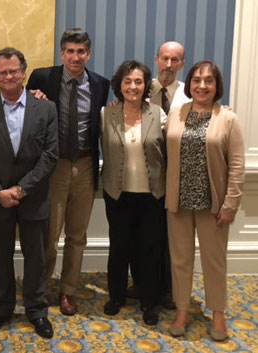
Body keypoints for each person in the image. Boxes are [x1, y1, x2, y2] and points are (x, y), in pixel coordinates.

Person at [0, 47, 58, 338]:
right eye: (1, 72)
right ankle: (1, 309)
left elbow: (50, 154)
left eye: (13, 71)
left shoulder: (45, 107)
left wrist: (21, 189)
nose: (8, 76)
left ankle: (37, 310)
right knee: (1, 256)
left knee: (36, 257)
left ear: (23, 72)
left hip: (33, 196)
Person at [26, 28, 110, 315]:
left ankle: (68, 291)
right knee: (49, 235)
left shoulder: (101, 84)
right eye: (70, 51)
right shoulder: (42, 78)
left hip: (86, 164)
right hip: (54, 165)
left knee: (78, 234)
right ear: (62, 53)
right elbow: (23, 112)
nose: (76, 57)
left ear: (88, 53)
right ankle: (41, 288)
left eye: (81, 51)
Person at [166, 61, 245, 341]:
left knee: (214, 262)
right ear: (189, 84)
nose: (202, 86)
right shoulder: (176, 114)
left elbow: (237, 165)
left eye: (209, 81)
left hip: (213, 206)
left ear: (216, 86)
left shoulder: (228, 118)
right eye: (197, 80)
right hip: (179, 203)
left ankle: (218, 313)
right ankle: (182, 311)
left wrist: (230, 205)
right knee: (180, 261)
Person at [100, 60, 167, 325]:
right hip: (118, 193)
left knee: (149, 249)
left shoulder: (158, 113)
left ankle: (149, 301)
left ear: (145, 85)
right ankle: (116, 296)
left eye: (138, 81)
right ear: (119, 85)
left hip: (152, 193)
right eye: (127, 81)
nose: (133, 86)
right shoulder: (107, 114)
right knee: (119, 247)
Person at [126, 41, 190, 309]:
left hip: (176, 175)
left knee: (169, 237)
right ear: (156, 60)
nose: (168, 65)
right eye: (164, 59)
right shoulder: (141, 88)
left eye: (175, 60)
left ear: (182, 64)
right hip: (143, 174)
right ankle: (141, 283)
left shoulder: (189, 94)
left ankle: (167, 288)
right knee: (141, 233)